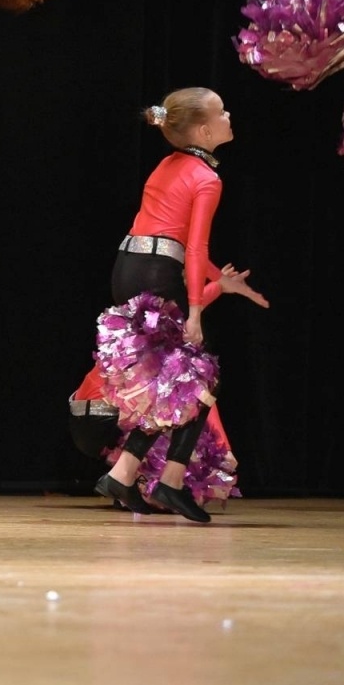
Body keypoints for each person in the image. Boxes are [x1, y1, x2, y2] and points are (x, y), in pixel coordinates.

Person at [89, 88, 269, 523]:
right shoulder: (207, 178)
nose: (230, 116)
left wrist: (218, 281)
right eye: (223, 111)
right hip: (156, 272)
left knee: (170, 382)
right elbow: (191, 247)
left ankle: (124, 473)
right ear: (206, 129)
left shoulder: (168, 164)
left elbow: (170, 240)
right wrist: (194, 309)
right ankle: (168, 483)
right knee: (196, 376)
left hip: (128, 265)